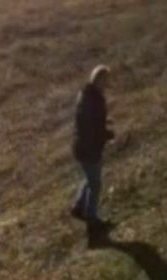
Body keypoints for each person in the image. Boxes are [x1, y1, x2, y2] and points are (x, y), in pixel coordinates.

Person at [71, 64, 115, 246]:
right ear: (98, 79)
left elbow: (90, 121)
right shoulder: (93, 99)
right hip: (89, 148)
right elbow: (90, 128)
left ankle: (78, 207)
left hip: (82, 146)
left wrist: (104, 125)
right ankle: (92, 221)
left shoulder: (87, 95)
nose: (107, 84)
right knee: (95, 184)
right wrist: (106, 134)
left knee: (89, 178)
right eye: (105, 81)